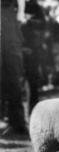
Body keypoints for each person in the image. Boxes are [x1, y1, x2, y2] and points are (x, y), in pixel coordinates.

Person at [1, 0, 29, 136]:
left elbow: (20, 18)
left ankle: (17, 123)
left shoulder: (16, 6)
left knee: (13, 81)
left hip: (11, 41)